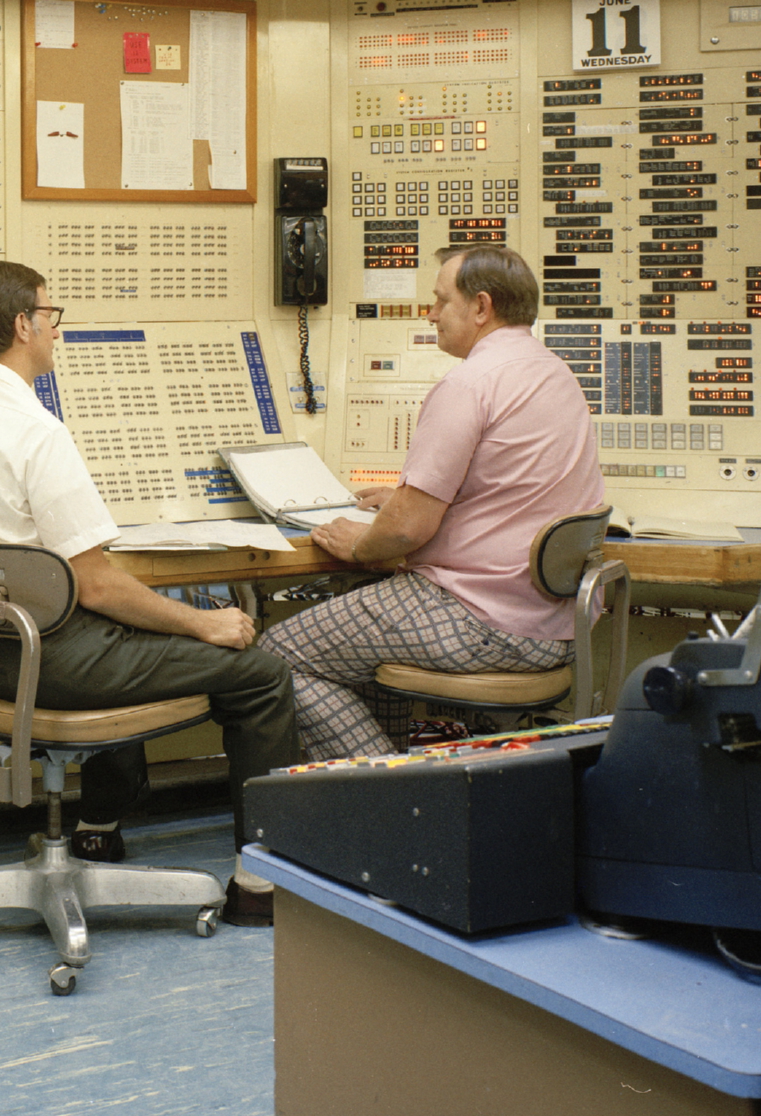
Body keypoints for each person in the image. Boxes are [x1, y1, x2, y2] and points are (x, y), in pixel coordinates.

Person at [0, 261, 300, 926]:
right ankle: (260, 887)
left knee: (133, 637)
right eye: (50, 315)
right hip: (65, 662)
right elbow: (96, 584)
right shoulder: (36, 430)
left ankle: (97, 830)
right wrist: (202, 623)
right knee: (260, 675)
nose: (55, 330)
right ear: (23, 325)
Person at [259, 243, 605, 759]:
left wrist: (361, 544)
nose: (431, 314)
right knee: (356, 649)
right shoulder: (555, 373)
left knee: (275, 657)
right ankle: (404, 777)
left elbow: (406, 530)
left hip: (480, 619)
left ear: (481, 307)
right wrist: (405, 499)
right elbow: (503, 489)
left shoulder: (469, 384)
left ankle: (391, 791)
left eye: (442, 301)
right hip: (558, 625)